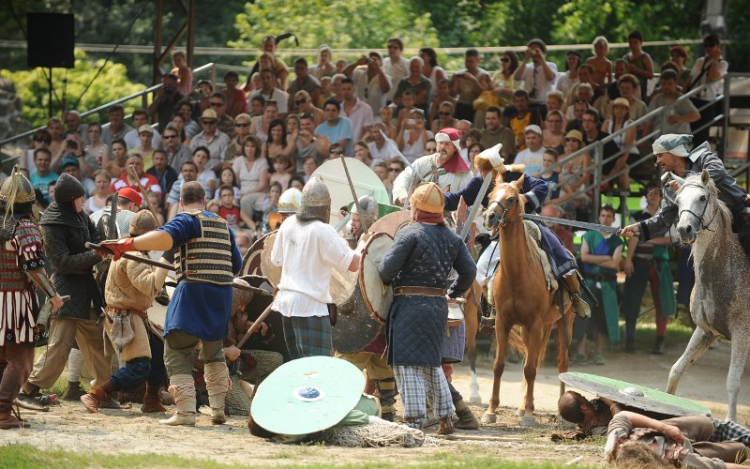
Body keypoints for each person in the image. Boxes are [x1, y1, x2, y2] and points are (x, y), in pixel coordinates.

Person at [99, 181, 243, 426]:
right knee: (214, 351)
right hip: (222, 296)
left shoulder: (186, 220)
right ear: (205, 201)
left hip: (194, 291)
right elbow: (236, 265)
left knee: (175, 349)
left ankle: (186, 413)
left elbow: (164, 238)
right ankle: (218, 410)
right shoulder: (224, 225)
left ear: (182, 203)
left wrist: (128, 244)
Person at [445, 146, 590, 320]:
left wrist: (525, 197)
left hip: (528, 223)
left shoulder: (513, 175)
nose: (483, 174)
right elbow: (457, 198)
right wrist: (436, 196)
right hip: (501, 232)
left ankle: (574, 296)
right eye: (482, 170)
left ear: (497, 169)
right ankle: (492, 308)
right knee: (481, 266)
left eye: (487, 170)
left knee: (558, 251)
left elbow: (542, 186)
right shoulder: (479, 183)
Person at [378, 182, 476, 434]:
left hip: (409, 307)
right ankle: (445, 419)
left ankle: (413, 422)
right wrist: (452, 294)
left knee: (407, 363)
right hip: (437, 307)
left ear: (416, 208)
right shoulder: (452, 239)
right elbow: (469, 271)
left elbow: (386, 271)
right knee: (432, 363)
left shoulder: (410, 234)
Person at [17, 173, 114, 410]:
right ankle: (27, 389)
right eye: (80, 198)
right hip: (66, 290)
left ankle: (103, 391)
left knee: (97, 345)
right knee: (59, 346)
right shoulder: (51, 224)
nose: (83, 201)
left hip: (87, 290)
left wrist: (105, 246)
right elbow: (61, 262)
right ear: (70, 199)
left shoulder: (80, 215)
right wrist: (97, 253)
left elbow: (96, 239)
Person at [80, 211, 170, 414]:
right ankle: (95, 394)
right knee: (139, 366)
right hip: (126, 317)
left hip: (134, 314)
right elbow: (148, 286)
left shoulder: (129, 249)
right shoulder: (135, 255)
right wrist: (165, 263)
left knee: (157, 353)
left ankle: (152, 400)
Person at [0, 167, 63, 429]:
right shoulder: (25, 228)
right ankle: (2, 411)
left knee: (3, 357)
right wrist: (53, 295)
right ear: (30, 202)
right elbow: (33, 269)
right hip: (15, 304)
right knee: (22, 359)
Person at [270, 177, 360, 358]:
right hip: (309, 307)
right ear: (325, 207)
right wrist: (364, 244)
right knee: (317, 370)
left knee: (297, 366)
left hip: (286, 304)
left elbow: (275, 260)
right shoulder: (323, 230)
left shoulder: (287, 224)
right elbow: (353, 264)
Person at [621, 134, 750, 256]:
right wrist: (639, 227)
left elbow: (717, 172)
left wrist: (685, 186)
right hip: (710, 236)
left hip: (741, 218)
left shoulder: (703, 158)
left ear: (674, 152)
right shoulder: (670, 185)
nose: (657, 161)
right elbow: (663, 220)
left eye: (660, 155)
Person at [558, 390, 750, 460]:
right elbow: (621, 422)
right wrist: (613, 404)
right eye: (583, 398)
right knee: (728, 446)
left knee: (716, 427)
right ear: (583, 407)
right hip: (659, 438)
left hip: (663, 423)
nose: (587, 398)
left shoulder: (596, 406)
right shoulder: (596, 428)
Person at [621, 181, 676, 355]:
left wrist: (647, 239)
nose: (652, 196)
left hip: (660, 264)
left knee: (662, 303)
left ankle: (660, 341)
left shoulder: (666, 217)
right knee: (633, 302)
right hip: (640, 262)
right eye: (649, 193)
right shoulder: (637, 216)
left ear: (661, 197)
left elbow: (672, 239)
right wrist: (628, 260)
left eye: (655, 194)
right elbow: (633, 239)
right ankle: (629, 340)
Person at [576, 205, 623, 365]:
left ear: (613, 218)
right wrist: (606, 258)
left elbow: (615, 263)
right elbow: (583, 258)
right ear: (599, 217)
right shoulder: (589, 236)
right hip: (589, 282)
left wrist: (594, 257)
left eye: (608, 216)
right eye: (602, 215)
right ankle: (581, 353)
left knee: (604, 319)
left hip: (608, 285)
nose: (605, 218)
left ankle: (599, 353)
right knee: (584, 317)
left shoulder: (618, 240)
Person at [392, 128, 472, 206]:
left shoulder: (464, 174)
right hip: (417, 212)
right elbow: (403, 178)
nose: (442, 147)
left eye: (447, 144)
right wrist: (402, 195)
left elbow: (468, 200)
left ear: (455, 148)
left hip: (446, 216)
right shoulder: (422, 162)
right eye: (440, 143)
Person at [687, 34, 728, 143]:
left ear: (718, 46)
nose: (708, 48)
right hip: (693, 99)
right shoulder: (700, 61)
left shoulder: (722, 64)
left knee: (702, 134)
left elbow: (712, 77)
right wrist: (682, 94)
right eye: (705, 45)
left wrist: (715, 60)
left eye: (711, 45)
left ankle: (698, 158)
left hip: (707, 102)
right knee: (691, 133)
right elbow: (690, 79)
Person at [515, 39, 558, 113]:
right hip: (528, 103)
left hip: (544, 103)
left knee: (536, 112)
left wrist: (542, 58)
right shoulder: (527, 67)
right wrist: (526, 59)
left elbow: (550, 78)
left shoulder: (550, 65)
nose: (534, 54)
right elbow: (516, 78)